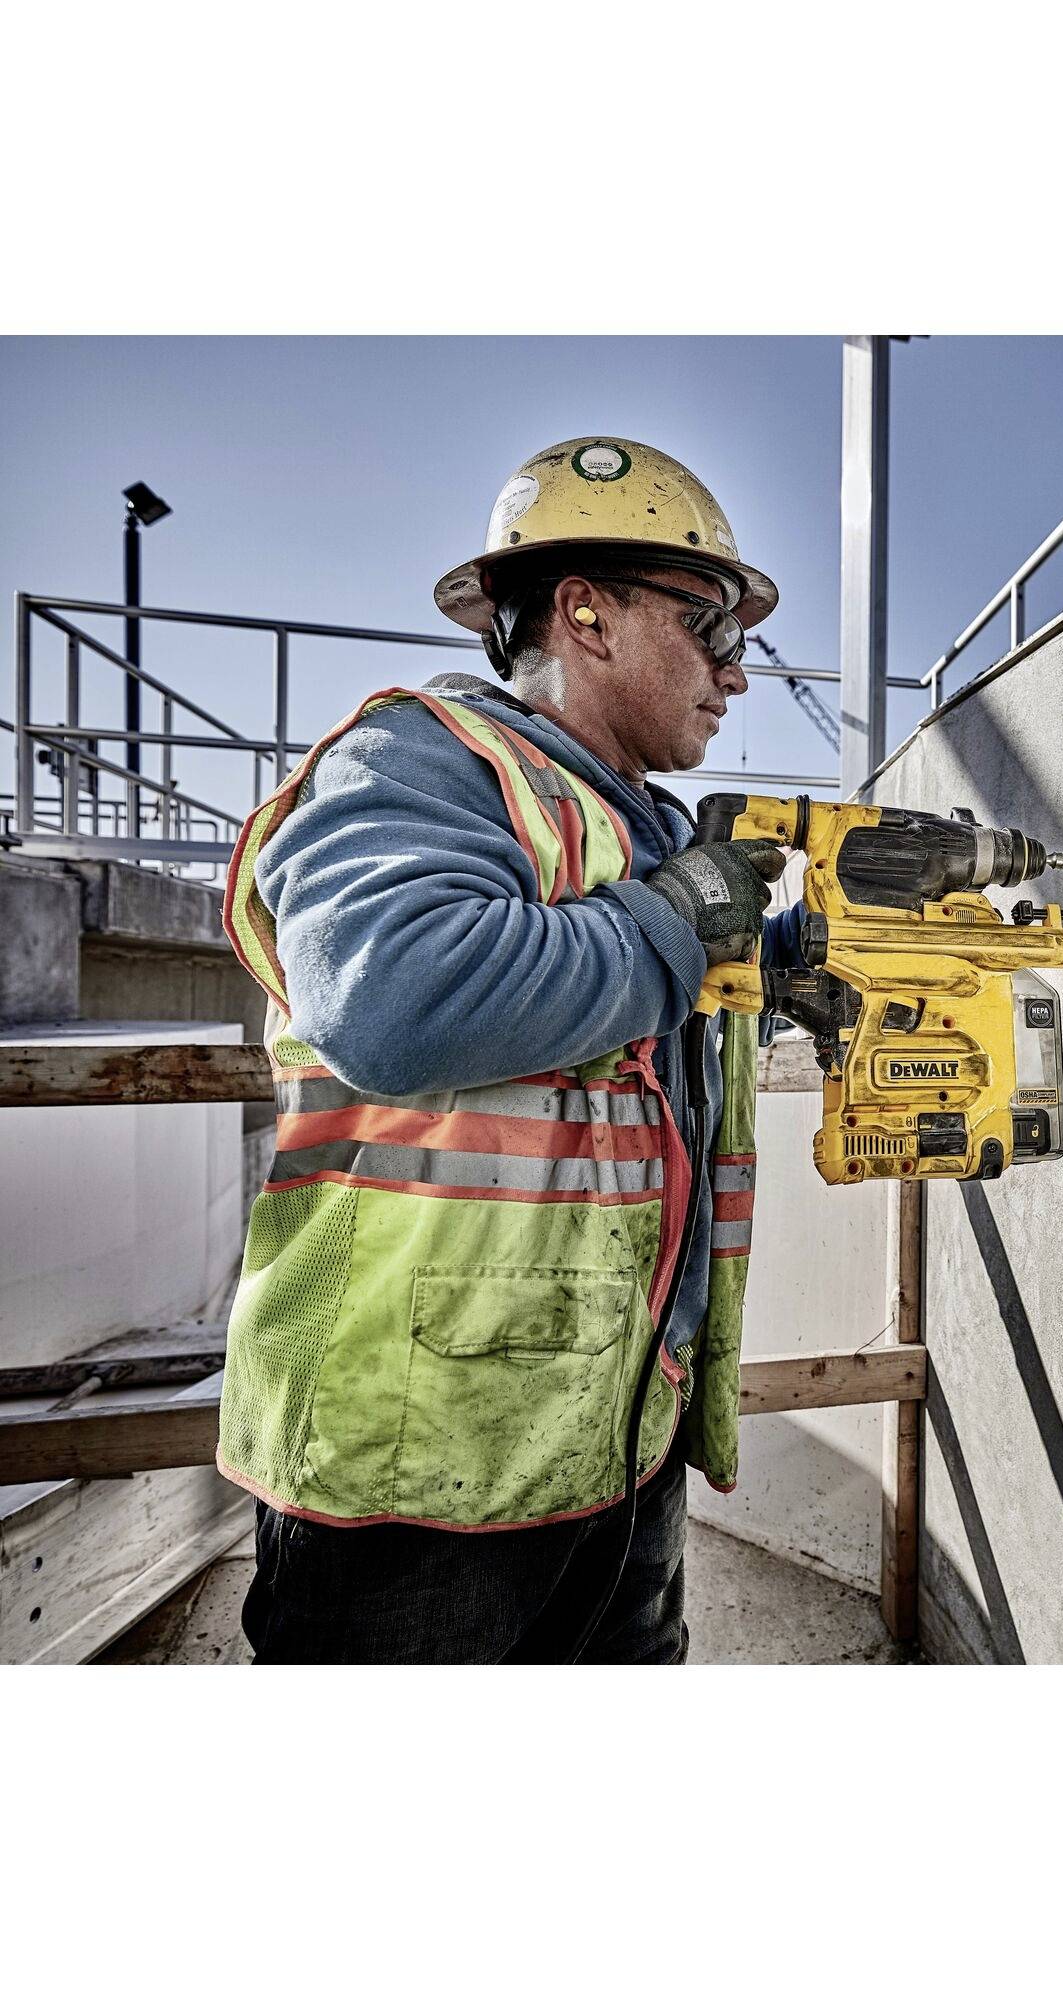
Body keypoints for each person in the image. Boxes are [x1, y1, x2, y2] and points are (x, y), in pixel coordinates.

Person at [215, 436, 797, 1663]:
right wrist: (683, 915)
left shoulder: (633, 828)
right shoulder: (427, 759)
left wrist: (786, 957)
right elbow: (397, 998)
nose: (737, 675)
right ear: (585, 613)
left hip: (617, 1436)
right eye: (714, 630)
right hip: (416, 1469)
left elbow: (623, 1054)